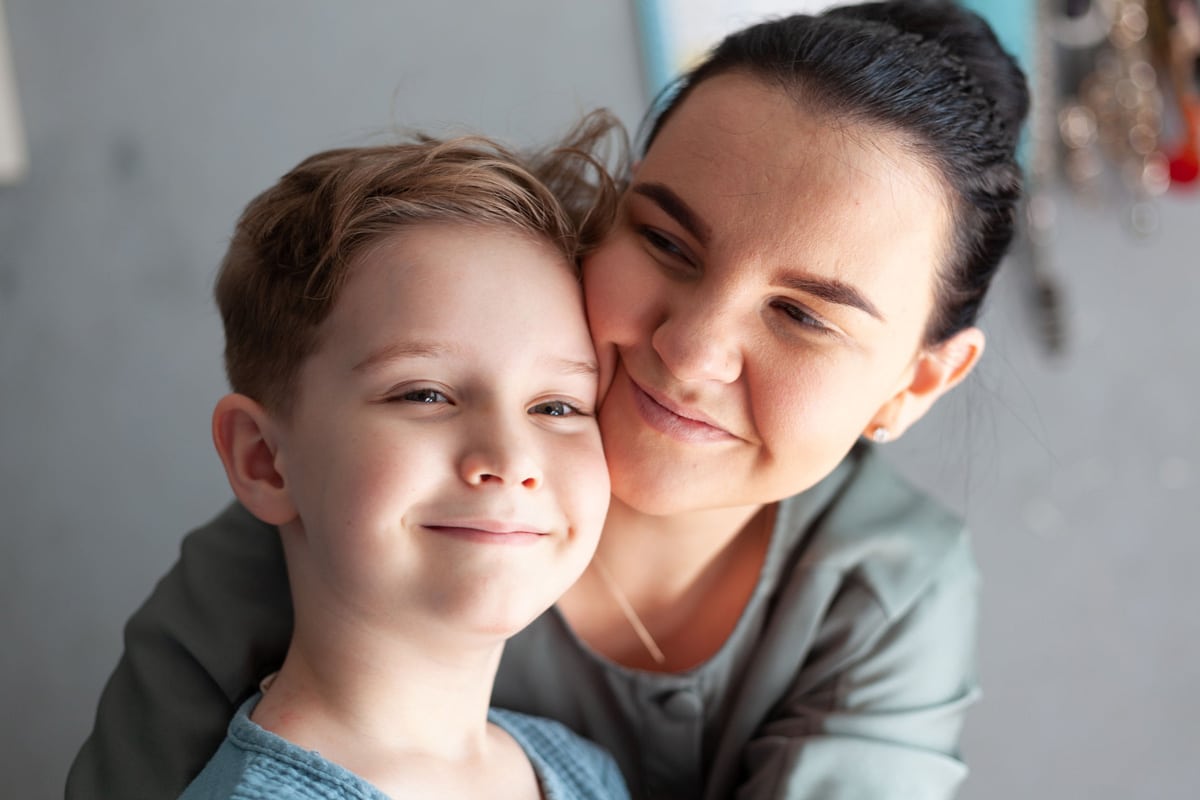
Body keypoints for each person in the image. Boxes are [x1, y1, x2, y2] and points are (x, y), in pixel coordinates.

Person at [68, 2, 1029, 798]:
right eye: (666, 244)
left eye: (804, 317)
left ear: (915, 382)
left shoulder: (887, 590)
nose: (690, 351)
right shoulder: (349, 503)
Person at [171, 127, 629, 798]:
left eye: (557, 406)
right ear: (264, 459)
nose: (509, 459)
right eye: (425, 394)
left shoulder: (586, 774)